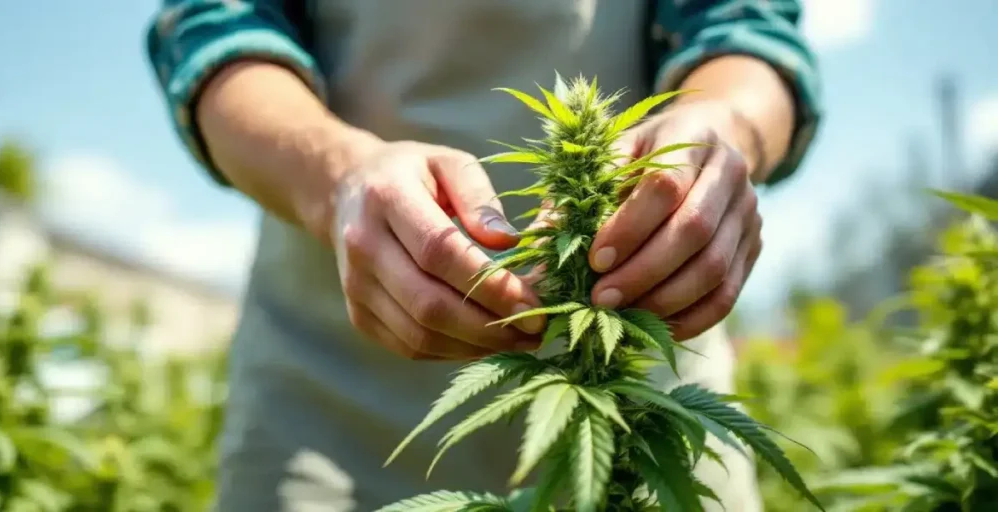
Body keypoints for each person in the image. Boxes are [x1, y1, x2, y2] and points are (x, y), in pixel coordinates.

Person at [145, 1, 821, 510]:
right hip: (332, 396)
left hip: (644, 386)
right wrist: (335, 180)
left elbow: (747, 28)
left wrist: (723, 130)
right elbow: (216, 30)